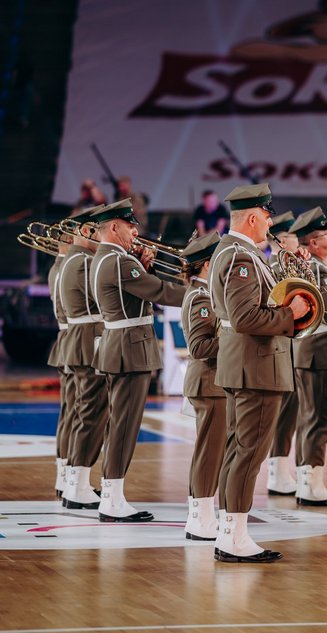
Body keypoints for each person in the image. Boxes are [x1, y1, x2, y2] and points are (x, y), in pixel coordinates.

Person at [209, 182, 309, 563]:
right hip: (256, 366)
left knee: (240, 450)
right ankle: (233, 538)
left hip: (246, 364)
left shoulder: (234, 252)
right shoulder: (241, 257)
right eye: (267, 215)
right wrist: (292, 314)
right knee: (248, 453)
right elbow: (246, 316)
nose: (270, 221)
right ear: (252, 216)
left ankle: (229, 533)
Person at [90, 199, 186, 522]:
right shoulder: (119, 262)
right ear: (114, 227)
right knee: (124, 425)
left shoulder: (107, 259)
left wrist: (144, 266)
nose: (135, 232)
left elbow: (137, 292)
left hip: (121, 346)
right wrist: (201, 290)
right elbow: (159, 292)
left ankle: (112, 493)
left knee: (121, 423)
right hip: (129, 348)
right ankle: (112, 499)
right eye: (130, 226)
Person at [287, 207, 327, 506]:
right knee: (322, 418)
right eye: (326, 234)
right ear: (312, 244)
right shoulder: (319, 270)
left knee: (312, 417)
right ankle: (311, 482)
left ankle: (307, 480)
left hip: (313, 352)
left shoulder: (321, 266)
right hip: (319, 352)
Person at [60, 206, 108, 510]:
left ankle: (75, 482)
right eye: (99, 230)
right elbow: (110, 293)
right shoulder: (86, 261)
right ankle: (77, 484)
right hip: (88, 341)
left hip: (82, 340)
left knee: (84, 413)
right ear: (87, 231)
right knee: (90, 415)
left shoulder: (74, 259)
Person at [179, 232, 226, 540]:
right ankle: (200, 515)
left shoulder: (205, 294)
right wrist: (235, 339)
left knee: (213, 451)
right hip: (208, 381)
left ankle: (204, 511)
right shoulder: (201, 298)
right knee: (209, 452)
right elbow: (199, 347)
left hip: (213, 382)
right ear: (208, 264)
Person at [265, 210, 301, 496]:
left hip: (291, 344)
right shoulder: (272, 264)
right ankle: (276, 472)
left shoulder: (287, 263)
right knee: (281, 409)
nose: (297, 241)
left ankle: (280, 469)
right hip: (277, 344)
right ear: (281, 239)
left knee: (290, 409)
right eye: (293, 236)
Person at [47, 232, 75, 498]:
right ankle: (67, 475)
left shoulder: (59, 267)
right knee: (74, 413)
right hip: (73, 340)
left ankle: (64, 474)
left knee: (70, 412)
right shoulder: (67, 267)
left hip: (66, 340)